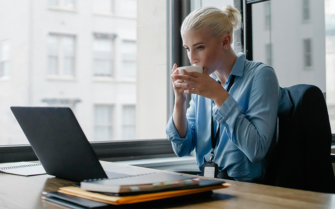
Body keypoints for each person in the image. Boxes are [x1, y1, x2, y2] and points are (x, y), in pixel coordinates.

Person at [166, 5, 279, 182]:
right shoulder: (204, 83)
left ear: (225, 42)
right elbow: (181, 148)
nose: (192, 58)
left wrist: (218, 95)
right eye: (188, 48)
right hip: (209, 184)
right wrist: (180, 99)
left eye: (200, 47)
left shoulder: (261, 75)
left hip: (249, 190)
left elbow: (256, 150)